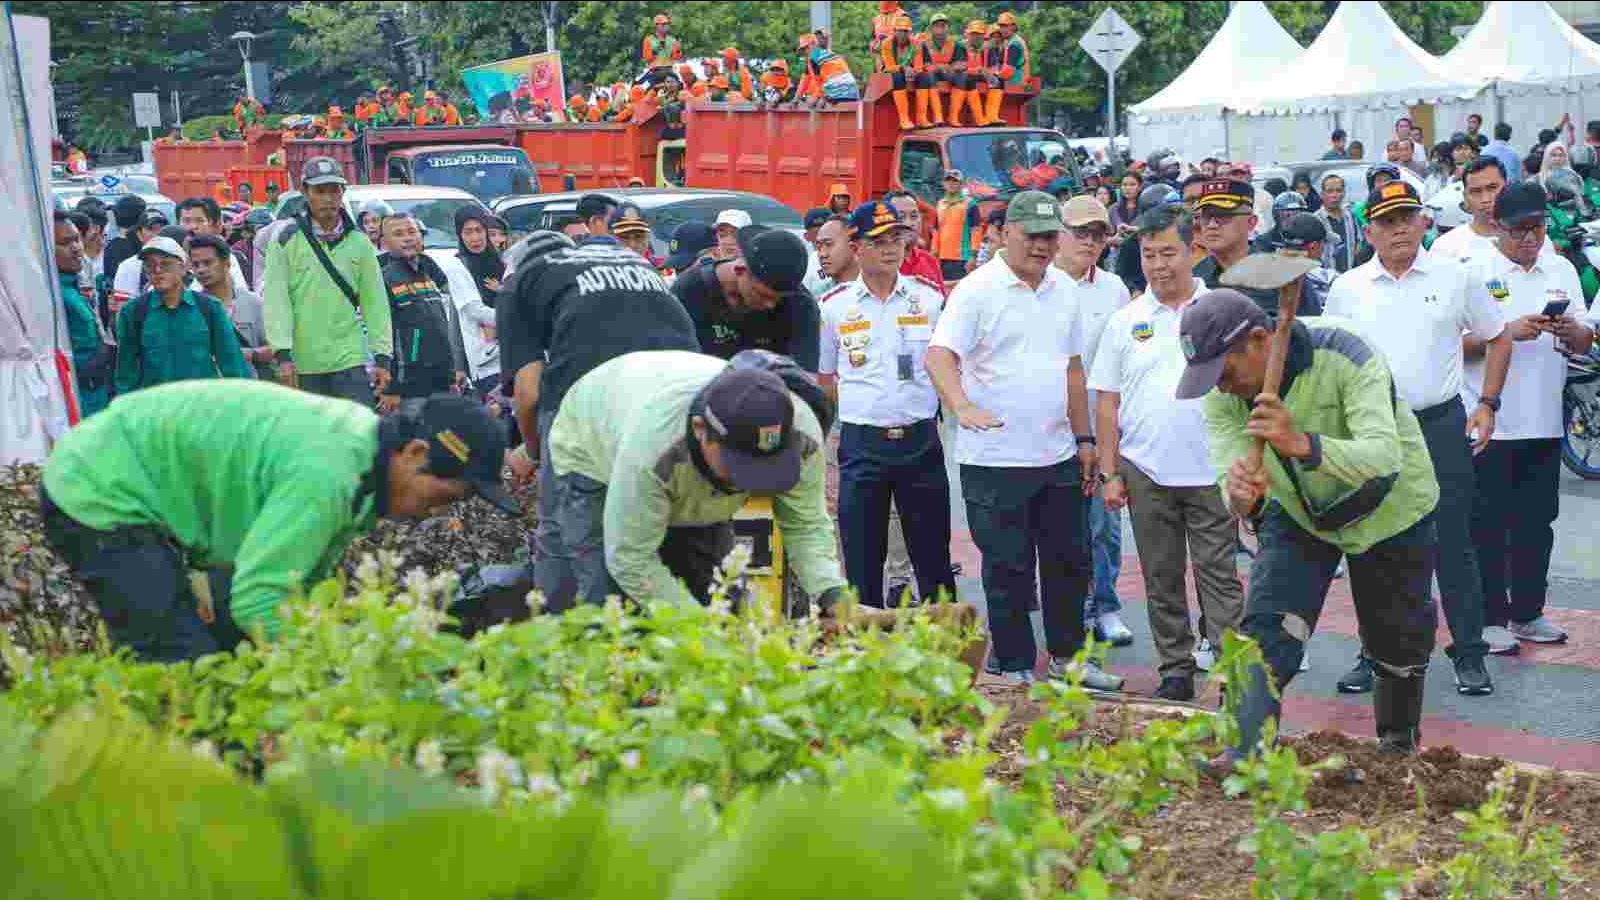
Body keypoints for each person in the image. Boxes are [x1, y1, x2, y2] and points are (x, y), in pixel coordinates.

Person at [40, 381, 515, 662]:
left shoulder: (365, 464)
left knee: (228, 648)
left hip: (149, 490)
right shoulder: (329, 473)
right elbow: (259, 600)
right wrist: (329, 672)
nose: (442, 510)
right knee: (184, 666)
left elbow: (296, 586)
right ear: (414, 454)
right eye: (448, 494)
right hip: (102, 486)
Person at [1177, 288, 1441, 763]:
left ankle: (1397, 750)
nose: (1219, 387)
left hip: (1391, 510)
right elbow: (1231, 479)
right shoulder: (1223, 398)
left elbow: (1383, 455)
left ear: (1258, 340)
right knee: (1266, 630)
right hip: (1299, 514)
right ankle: (1243, 754)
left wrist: (1301, 442)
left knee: (1396, 639)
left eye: (1224, 372)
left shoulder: (1347, 353)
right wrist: (1241, 495)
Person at [1322, 180, 1510, 697]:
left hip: (1439, 425)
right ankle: (1373, 652)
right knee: (1372, 546)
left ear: (1425, 220)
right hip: (1373, 430)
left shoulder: (1456, 277)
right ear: (1369, 230)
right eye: (1386, 220)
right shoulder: (1348, 287)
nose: (1399, 227)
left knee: (1455, 544)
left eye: (1407, 216)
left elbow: (1499, 337)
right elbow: (1331, 366)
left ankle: (1470, 654)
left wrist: (1488, 405)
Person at [926, 191, 1120, 690]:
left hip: (1057, 454)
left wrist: (1085, 439)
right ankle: (1012, 665)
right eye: (1031, 235)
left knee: (1069, 563)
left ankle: (1067, 659)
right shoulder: (976, 290)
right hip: (994, 459)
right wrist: (962, 405)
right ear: (1002, 233)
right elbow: (940, 356)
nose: (1040, 245)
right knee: (1008, 567)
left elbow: (1073, 370)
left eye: (1048, 236)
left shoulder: (1064, 289)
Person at [540, 351, 847, 613]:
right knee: (606, 601)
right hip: (592, 440)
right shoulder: (652, 449)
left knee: (721, 597)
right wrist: (698, 628)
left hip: (680, 457)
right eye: (741, 466)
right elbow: (630, 558)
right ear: (701, 429)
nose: (750, 482)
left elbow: (805, 523)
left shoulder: (800, 432)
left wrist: (832, 592)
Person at [1091, 205, 1244, 700]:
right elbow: (1107, 399)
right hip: (1146, 469)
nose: (1158, 265)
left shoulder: (1222, 310)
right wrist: (1110, 472)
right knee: (1161, 577)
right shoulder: (1126, 321)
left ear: (1193, 251)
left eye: (1169, 253)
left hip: (1212, 468)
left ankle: (1232, 670)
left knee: (1219, 576)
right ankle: (1174, 669)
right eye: (1149, 254)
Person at [497, 229, 700, 592]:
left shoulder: (519, 283)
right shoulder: (634, 263)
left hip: (593, 405)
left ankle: (574, 639)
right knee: (659, 528)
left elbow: (528, 393)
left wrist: (532, 451)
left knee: (565, 532)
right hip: (682, 399)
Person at [1468, 182, 1594, 654]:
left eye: (1537, 228)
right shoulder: (1473, 271)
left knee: (1536, 523)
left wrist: (1571, 329)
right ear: (1498, 226)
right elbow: (1452, 343)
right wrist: (1506, 334)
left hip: (1544, 419)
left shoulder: (1559, 267)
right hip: (1489, 422)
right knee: (1487, 523)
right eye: (1520, 230)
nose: (1530, 239)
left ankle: (1527, 612)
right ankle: (1489, 617)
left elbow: (1584, 341)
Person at [818, 201, 955, 610]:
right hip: (862, 445)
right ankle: (866, 656)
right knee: (861, 561)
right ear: (857, 247)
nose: (891, 248)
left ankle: (945, 652)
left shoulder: (928, 300)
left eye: (896, 238)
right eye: (879, 241)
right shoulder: (835, 307)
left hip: (920, 441)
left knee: (933, 558)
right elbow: (826, 379)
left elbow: (949, 364)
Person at [1054, 196, 1135, 647]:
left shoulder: (1113, 289)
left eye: (1098, 234)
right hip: (1049, 421)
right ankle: (1067, 608)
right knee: (1057, 524)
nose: (1088, 241)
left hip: (1100, 417)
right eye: (1080, 232)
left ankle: (1105, 605)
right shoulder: (1040, 285)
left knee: (1103, 519)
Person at [264, 156, 393, 406]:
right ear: (305, 191)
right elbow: (276, 300)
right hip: (304, 363)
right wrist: (282, 355)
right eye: (320, 191)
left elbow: (375, 304)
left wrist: (382, 358)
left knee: (359, 435)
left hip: (351, 360)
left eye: (334, 190)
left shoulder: (359, 242)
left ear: (343, 192)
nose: (328, 198)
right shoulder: (285, 239)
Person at [113, 236, 252, 395]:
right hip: (156, 410)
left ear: (183, 267)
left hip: (202, 408)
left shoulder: (210, 308)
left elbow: (233, 364)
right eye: (150, 266)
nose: (158, 271)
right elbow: (125, 373)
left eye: (166, 264)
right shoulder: (133, 313)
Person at [673, 225, 819, 369]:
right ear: (740, 270)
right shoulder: (688, 293)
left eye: (778, 299)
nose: (771, 305)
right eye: (763, 295)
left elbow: (807, 374)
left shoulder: (799, 301)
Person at [376, 213, 468, 407]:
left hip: (443, 380)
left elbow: (443, 326)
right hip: (408, 385)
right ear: (384, 243)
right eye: (399, 234)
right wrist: (390, 388)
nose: (408, 238)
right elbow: (382, 336)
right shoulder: (384, 279)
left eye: (412, 231)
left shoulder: (430, 271)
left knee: (446, 437)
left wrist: (453, 372)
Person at [189, 233, 273, 382]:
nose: (201, 270)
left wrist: (247, 354)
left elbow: (276, 348)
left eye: (208, 263)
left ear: (226, 263)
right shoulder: (190, 307)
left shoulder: (253, 303)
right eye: (196, 265)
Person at [1191, 179, 1280, 315]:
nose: (1212, 225)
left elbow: (1310, 330)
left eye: (1223, 216)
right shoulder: (1196, 278)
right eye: (1206, 217)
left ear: (1251, 222)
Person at [53, 212, 111, 417]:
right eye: (65, 243)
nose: (76, 248)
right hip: (75, 402)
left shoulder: (72, 284)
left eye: (77, 239)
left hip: (96, 397)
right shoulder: (51, 294)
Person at [176, 197, 252, 295]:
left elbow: (240, 296)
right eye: (187, 221)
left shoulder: (226, 258)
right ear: (177, 224)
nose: (193, 226)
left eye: (200, 220)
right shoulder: (169, 261)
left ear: (209, 223)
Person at [912, 13, 965, 129]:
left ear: (948, 28)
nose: (941, 28)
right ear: (931, 28)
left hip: (948, 72)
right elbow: (923, 64)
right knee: (928, 75)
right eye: (937, 25)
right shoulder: (924, 43)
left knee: (962, 77)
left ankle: (953, 117)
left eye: (943, 25)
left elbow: (961, 63)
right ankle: (938, 117)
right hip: (932, 73)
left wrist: (952, 68)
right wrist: (938, 67)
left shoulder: (956, 43)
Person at [886, 191, 945, 294]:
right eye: (900, 217)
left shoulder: (930, 261)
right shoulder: (877, 264)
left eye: (914, 216)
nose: (909, 223)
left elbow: (941, 303)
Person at [933, 170, 982, 282]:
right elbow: (936, 231)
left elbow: (976, 231)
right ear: (943, 184)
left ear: (961, 184)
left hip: (962, 259)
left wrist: (973, 256)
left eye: (955, 181)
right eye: (948, 180)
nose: (951, 183)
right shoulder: (940, 204)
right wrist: (934, 253)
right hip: (942, 258)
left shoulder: (970, 204)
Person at [455, 207, 504, 307]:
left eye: (479, 230)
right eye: (468, 232)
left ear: (486, 231)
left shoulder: (502, 260)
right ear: (460, 235)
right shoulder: (458, 266)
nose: (475, 238)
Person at [797, 29, 860, 106]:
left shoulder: (813, 58)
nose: (805, 52)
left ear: (813, 44)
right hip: (853, 94)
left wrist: (797, 100)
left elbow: (817, 85)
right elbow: (806, 81)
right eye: (818, 38)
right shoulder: (836, 57)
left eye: (805, 48)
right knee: (817, 101)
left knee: (812, 103)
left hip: (836, 94)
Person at [1314, 173, 1360, 273]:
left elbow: (1357, 245)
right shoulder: (1315, 220)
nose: (1334, 195)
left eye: (1338, 190)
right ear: (1322, 194)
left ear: (1344, 193)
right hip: (1325, 282)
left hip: (1349, 277)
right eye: (1329, 191)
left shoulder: (1351, 217)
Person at [881, 15, 920, 130]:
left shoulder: (916, 43)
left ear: (910, 32)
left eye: (905, 31)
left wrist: (914, 72)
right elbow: (889, 66)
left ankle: (921, 119)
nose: (903, 34)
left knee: (925, 77)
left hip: (911, 73)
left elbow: (919, 66)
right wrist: (904, 68)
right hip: (889, 74)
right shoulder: (887, 43)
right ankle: (904, 119)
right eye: (900, 31)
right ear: (895, 31)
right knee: (897, 77)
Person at [958, 19, 999, 127]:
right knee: (967, 78)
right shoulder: (960, 46)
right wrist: (975, 70)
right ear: (968, 34)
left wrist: (990, 74)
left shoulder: (989, 48)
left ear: (983, 35)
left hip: (981, 75)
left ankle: (991, 116)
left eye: (979, 34)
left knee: (998, 80)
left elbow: (994, 68)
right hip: (965, 75)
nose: (976, 37)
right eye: (974, 33)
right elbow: (956, 67)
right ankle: (979, 118)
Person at [810, 214, 858, 297]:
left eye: (828, 244)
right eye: (818, 247)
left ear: (853, 245)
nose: (822, 254)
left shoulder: (879, 290)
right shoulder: (817, 298)